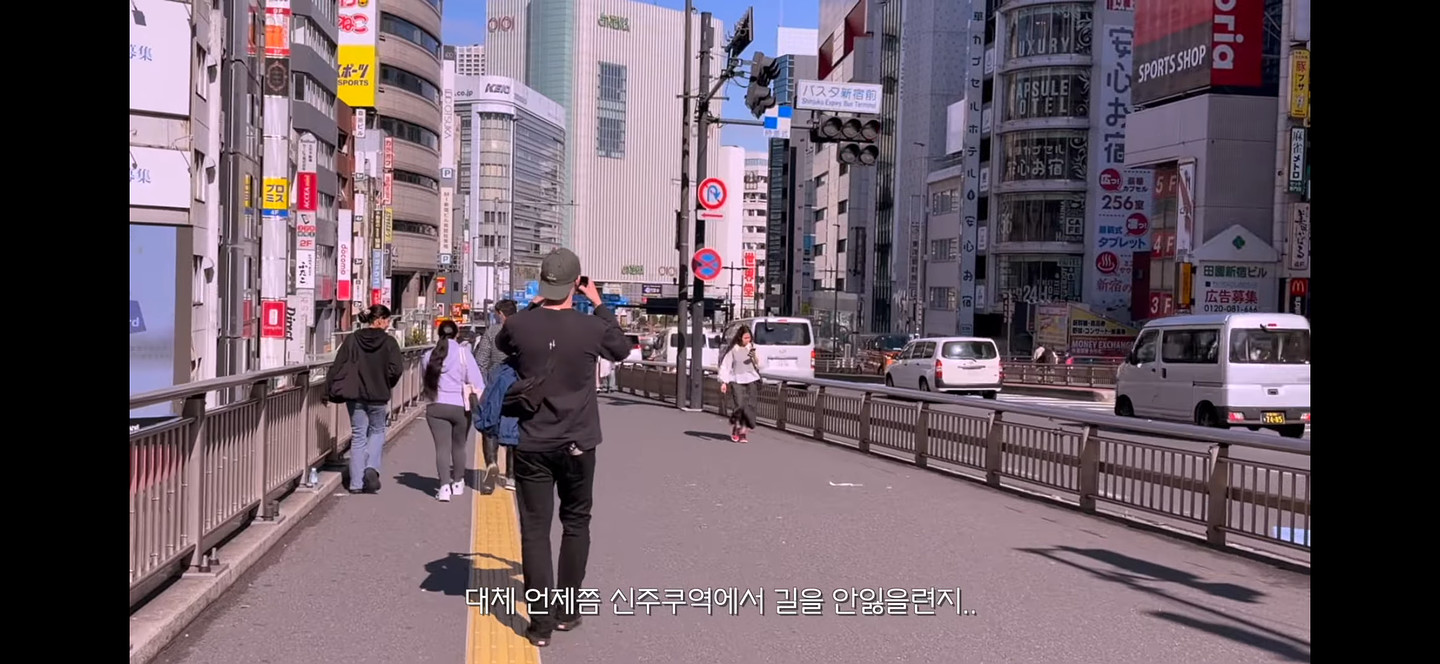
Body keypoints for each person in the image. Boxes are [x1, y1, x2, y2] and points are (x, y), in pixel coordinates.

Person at [496, 248, 631, 647]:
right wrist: (598, 302)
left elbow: (503, 342)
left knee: (535, 529)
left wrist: (534, 305)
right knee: (576, 523)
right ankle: (567, 612)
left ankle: (539, 626)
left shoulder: (520, 324)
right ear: (576, 283)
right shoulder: (592, 328)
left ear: (543, 282)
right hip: (578, 442)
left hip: (533, 442)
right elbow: (621, 349)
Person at [326, 304, 404, 494]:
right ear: (379, 320)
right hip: (378, 394)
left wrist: (328, 390)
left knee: (358, 435)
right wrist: (386, 382)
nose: (388, 324)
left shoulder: (353, 339)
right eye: (387, 320)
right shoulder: (389, 342)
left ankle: (355, 484)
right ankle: (371, 467)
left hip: (355, 395)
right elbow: (396, 369)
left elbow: (338, 364)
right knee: (377, 430)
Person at [422, 320, 485, 502]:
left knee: (441, 448)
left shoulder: (428, 356)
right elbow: (477, 382)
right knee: (459, 445)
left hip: (436, 406)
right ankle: (458, 483)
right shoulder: (464, 354)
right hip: (460, 406)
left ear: (439, 334)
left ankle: (444, 487)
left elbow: (426, 380)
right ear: (457, 334)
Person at [473, 299, 518, 488]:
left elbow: (481, 362)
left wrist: (483, 387)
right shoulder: (525, 332)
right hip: (517, 387)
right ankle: (511, 476)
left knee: (489, 425)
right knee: (514, 427)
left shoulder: (492, 332)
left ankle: (491, 463)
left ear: (500, 314)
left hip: (494, 386)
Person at [718, 325, 764, 443]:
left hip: (751, 379)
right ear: (740, 338)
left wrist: (754, 357)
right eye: (745, 338)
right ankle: (736, 428)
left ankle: (743, 432)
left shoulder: (752, 347)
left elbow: (760, 364)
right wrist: (724, 382)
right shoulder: (734, 349)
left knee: (750, 406)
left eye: (749, 338)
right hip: (737, 379)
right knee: (739, 405)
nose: (748, 340)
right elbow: (726, 366)